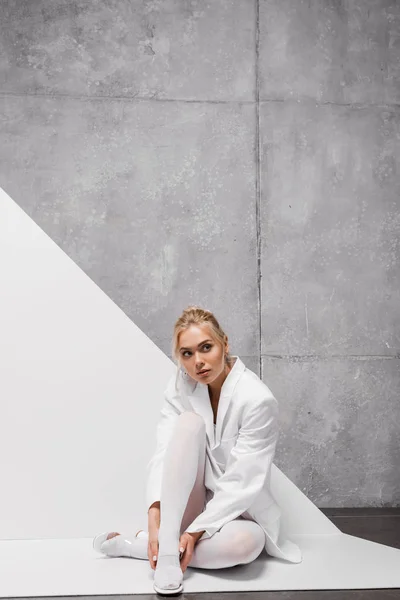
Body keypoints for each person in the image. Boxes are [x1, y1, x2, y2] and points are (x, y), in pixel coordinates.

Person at [93, 305, 302, 595]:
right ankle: (166, 546)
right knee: (189, 423)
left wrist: (192, 532)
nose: (198, 362)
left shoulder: (257, 400)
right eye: (187, 354)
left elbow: (243, 481)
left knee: (246, 547)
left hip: (235, 511)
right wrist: (155, 516)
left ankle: (143, 547)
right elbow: (165, 450)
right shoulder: (181, 383)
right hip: (186, 501)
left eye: (206, 348)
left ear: (224, 343)